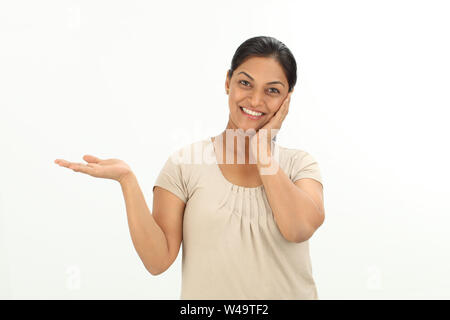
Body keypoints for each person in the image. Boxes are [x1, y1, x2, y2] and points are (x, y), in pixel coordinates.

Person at [54, 36, 325, 300]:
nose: (255, 100)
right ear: (228, 82)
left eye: (272, 90)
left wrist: (261, 151)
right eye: (245, 83)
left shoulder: (299, 165)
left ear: (287, 100)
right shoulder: (185, 164)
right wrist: (127, 180)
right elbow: (157, 260)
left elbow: (297, 229)